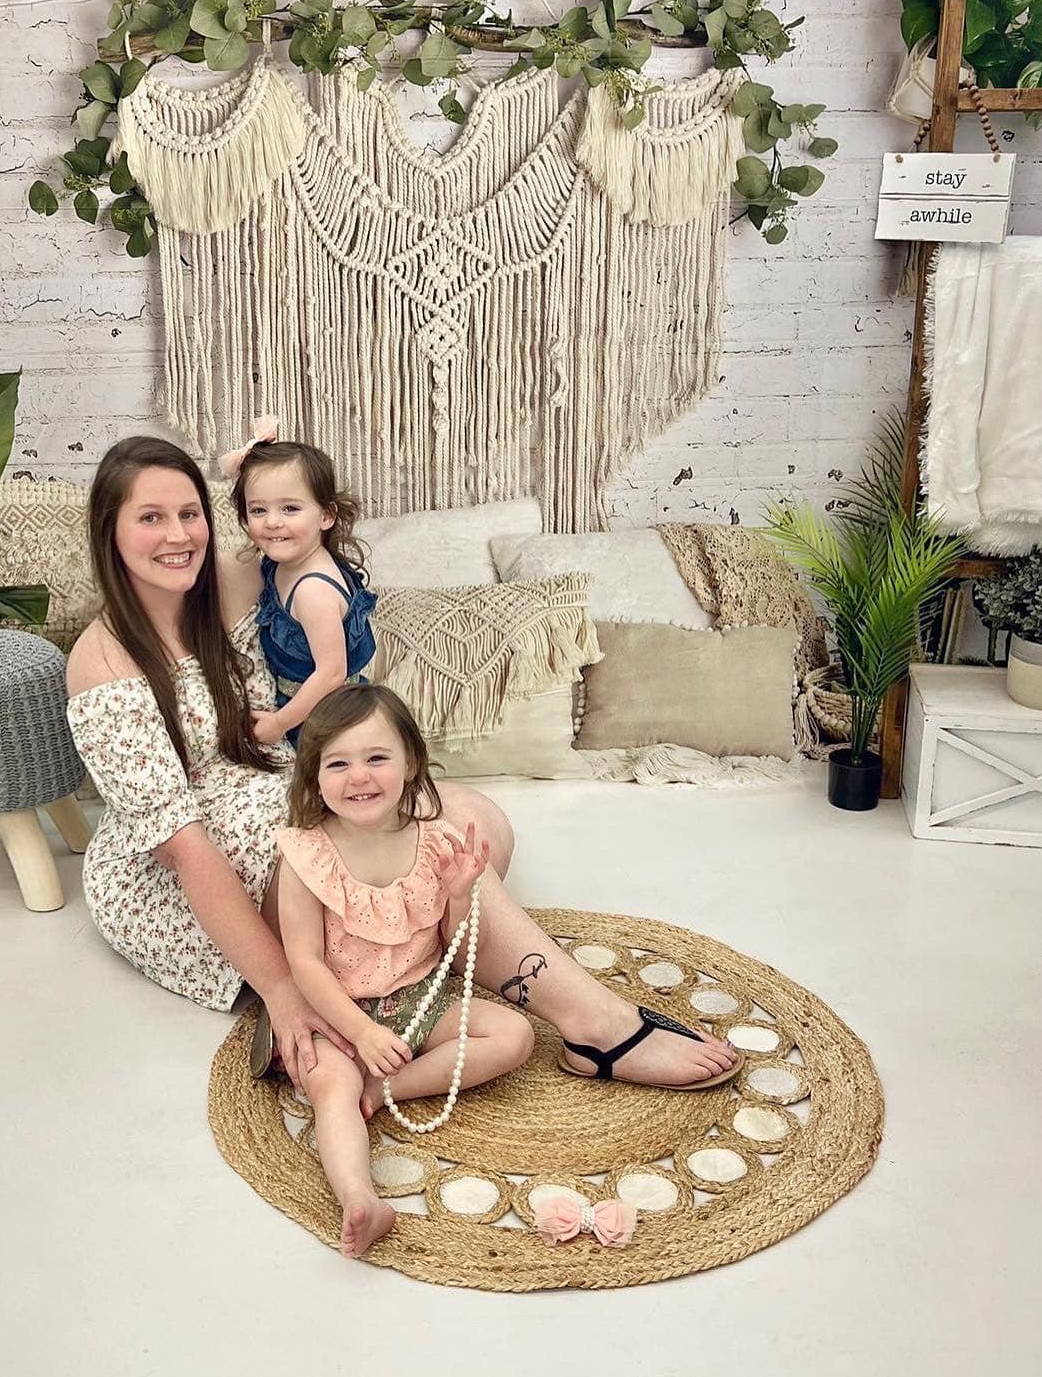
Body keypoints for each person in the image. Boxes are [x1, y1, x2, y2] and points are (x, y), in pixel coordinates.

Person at [66, 435, 740, 1095]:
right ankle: (597, 1024)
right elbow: (185, 852)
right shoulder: (102, 665)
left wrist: (254, 464)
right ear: (110, 531)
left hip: (271, 785)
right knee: (423, 843)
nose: (177, 535)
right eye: (149, 517)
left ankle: (389, 963)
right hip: (185, 861)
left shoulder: (231, 581)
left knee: (480, 824)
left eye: (189, 514)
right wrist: (280, 989)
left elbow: (292, 522)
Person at [276, 684, 535, 1258]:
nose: (358, 777)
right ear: (314, 776)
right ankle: (359, 1198)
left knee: (514, 1034)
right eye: (337, 763)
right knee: (331, 1091)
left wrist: (463, 894)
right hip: (338, 1012)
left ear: (411, 761)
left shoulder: (436, 843)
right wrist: (362, 1032)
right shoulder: (305, 855)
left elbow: (460, 950)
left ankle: (385, 1088)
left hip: (419, 998)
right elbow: (304, 963)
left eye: (376, 758)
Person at [221, 422, 376, 747]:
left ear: (325, 515)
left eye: (290, 508)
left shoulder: (313, 591)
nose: (272, 521)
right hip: (299, 704)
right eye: (258, 510)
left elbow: (331, 674)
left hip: (328, 718)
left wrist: (277, 724)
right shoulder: (282, 563)